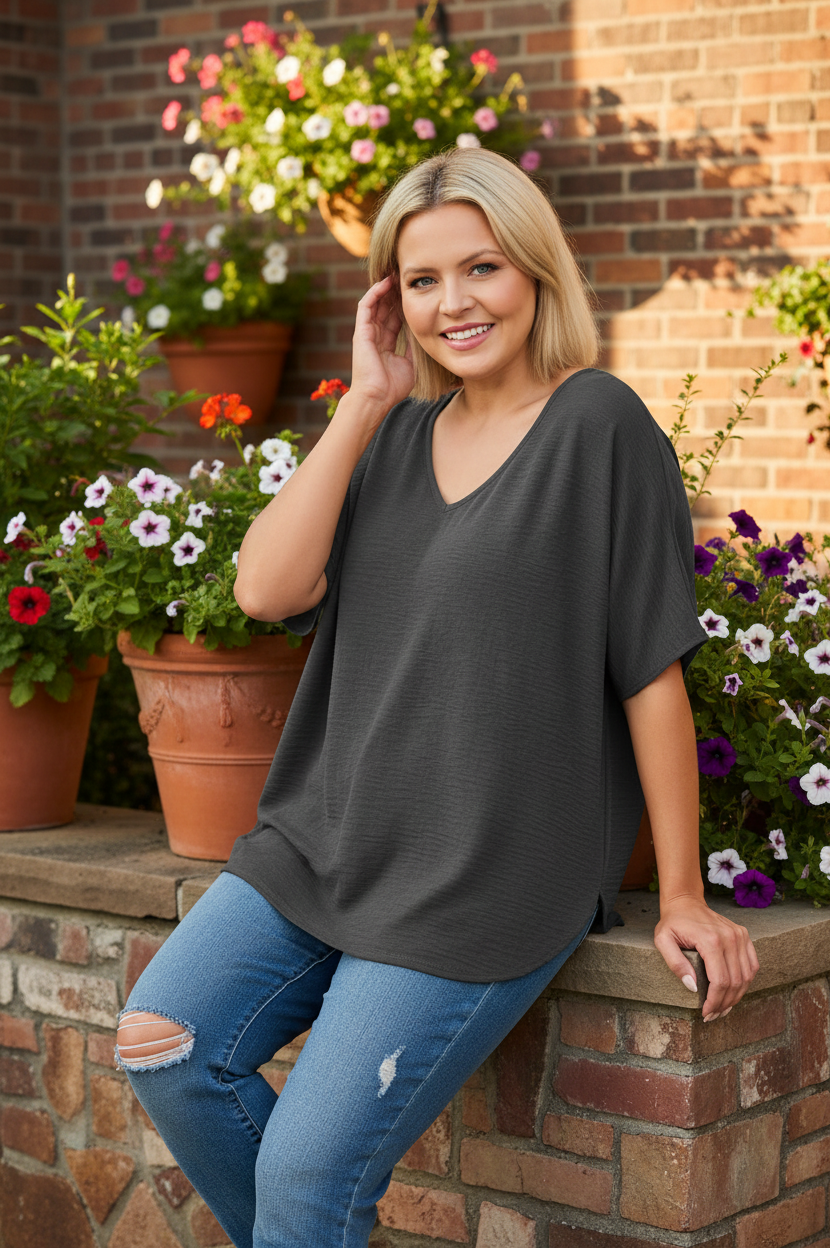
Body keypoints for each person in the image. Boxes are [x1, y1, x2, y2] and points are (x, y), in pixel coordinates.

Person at [115, 148, 759, 1248]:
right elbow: (265, 589)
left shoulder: (597, 424)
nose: (453, 304)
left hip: (485, 869)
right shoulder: (393, 434)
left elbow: (651, 674)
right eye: (421, 282)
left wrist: (685, 893)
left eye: (482, 269)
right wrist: (365, 401)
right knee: (162, 1041)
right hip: (327, 838)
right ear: (391, 300)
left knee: (312, 1177)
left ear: (537, 273)